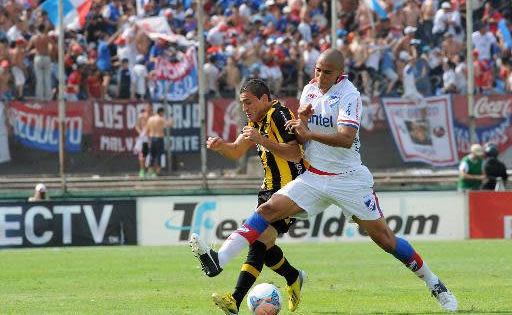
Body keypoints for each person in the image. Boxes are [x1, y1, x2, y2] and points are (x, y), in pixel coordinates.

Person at [190, 49, 458, 312]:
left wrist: (307, 131)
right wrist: (303, 124)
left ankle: (435, 284)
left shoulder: (350, 95)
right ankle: (218, 259)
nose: (320, 76)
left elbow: (345, 139)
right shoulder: (309, 90)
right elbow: (303, 140)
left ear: (341, 73)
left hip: (348, 179)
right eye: (317, 70)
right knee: (267, 210)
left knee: (385, 240)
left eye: (327, 72)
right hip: (315, 177)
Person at [205, 79, 306, 314]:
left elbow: (294, 154)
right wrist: (221, 146)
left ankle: (235, 299)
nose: (245, 108)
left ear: (263, 98)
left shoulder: (278, 114)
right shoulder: (255, 121)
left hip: (291, 190)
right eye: (242, 104)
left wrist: (262, 140)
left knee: (258, 240)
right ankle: (294, 277)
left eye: (248, 102)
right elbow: (236, 150)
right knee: (265, 245)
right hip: (268, 190)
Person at [146, 107, 172, 177]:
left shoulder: (150, 119)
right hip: (159, 138)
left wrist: (148, 140)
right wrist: (172, 120)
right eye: (163, 113)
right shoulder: (160, 119)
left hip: (151, 138)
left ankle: (150, 171)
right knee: (159, 155)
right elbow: (168, 124)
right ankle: (158, 171)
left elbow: (147, 131)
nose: (163, 114)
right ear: (161, 112)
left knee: (152, 155)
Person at [134, 104, 151, 178]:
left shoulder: (153, 117)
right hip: (143, 138)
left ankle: (151, 171)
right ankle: (142, 171)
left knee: (151, 156)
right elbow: (136, 126)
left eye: (149, 107)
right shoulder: (141, 116)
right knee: (142, 156)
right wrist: (141, 133)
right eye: (147, 107)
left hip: (151, 137)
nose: (148, 108)